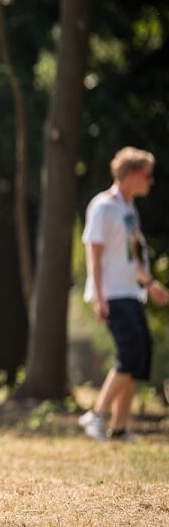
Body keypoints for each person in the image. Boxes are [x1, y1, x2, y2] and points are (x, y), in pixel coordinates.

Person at [77, 148, 168, 442]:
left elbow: (132, 255)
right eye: (146, 175)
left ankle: (119, 428)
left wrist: (149, 282)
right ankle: (96, 415)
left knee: (139, 355)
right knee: (130, 355)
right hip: (113, 294)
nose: (150, 181)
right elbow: (94, 252)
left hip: (131, 292)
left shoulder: (129, 208)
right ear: (130, 175)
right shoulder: (103, 206)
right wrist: (100, 298)